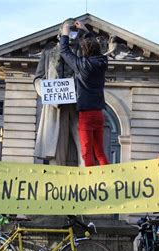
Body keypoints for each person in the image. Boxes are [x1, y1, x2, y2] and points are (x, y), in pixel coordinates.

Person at [34, 18, 85, 166]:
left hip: (78, 105)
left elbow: (94, 56)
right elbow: (38, 78)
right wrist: (45, 90)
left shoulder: (83, 50)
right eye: (69, 29)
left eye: (74, 30)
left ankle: (87, 183)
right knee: (56, 151)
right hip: (56, 107)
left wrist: (84, 32)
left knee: (85, 149)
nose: (71, 33)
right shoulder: (49, 52)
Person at [59, 21, 109, 166]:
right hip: (99, 114)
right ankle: (107, 177)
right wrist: (86, 30)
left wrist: (65, 32)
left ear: (84, 50)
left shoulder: (81, 65)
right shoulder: (102, 61)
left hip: (86, 115)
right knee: (99, 151)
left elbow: (64, 51)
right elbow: (96, 48)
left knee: (87, 152)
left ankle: (90, 181)